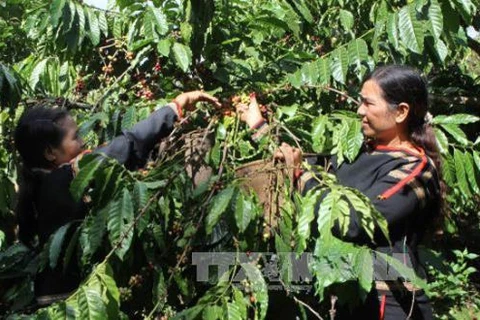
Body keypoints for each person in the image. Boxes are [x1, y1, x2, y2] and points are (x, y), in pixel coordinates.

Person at [237, 65, 443, 319]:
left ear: (401, 112)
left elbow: (358, 222)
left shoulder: (415, 169)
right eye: (360, 102)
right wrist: (257, 125)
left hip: (387, 305)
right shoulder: (358, 151)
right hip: (347, 297)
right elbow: (305, 165)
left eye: (369, 103)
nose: (359, 111)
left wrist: (300, 176)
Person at [14, 91, 220, 306]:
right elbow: (126, 145)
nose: (83, 142)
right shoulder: (69, 175)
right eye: (75, 137)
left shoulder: (37, 185)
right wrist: (174, 107)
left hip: (50, 296)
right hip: (77, 300)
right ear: (50, 153)